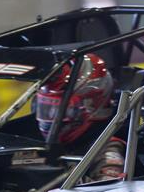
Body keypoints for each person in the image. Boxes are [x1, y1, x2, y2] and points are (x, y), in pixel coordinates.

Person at [34, 53, 125, 182]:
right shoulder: (38, 141)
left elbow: (108, 188)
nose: (52, 118)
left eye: (63, 110)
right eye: (47, 109)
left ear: (91, 106)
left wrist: (58, 180)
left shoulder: (107, 149)